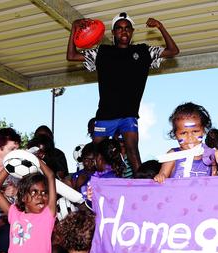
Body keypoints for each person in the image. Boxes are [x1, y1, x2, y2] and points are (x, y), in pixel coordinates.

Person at [67, 12, 179, 173]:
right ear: (113, 33)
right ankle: (94, 189)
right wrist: (74, 28)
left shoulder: (143, 51)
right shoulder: (102, 52)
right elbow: (71, 56)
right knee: (97, 153)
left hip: (129, 114)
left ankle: (142, 189)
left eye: (127, 28)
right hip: (106, 114)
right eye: (119, 28)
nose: (123, 31)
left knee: (133, 150)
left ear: (132, 32)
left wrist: (160, 27)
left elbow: (173, 51)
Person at [154, 102, 215, 182]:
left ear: (204, 131)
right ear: (175, 135)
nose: (190, 137)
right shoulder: (172, 155)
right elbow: (163, 174)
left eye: (195, 131)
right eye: (183, 133)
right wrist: (161, 176)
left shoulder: (209, 155)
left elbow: (215, 179)